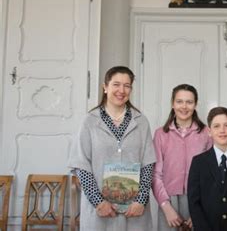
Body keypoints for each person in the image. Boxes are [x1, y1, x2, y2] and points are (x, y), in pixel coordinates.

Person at [68, 66, 156, 231]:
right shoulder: (89, 121)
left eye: (127, 85)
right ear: (105, 87)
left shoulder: (141, 121)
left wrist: (141, 200)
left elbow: (148, 164)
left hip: (134, 212)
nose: (121, 90)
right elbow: (81, 166)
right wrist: (98, 202)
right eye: (116, 84)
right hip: (100, 211)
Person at [152, 84, 212, 230]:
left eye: (189, 102)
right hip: (169, 201)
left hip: (199, 200)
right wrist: (166, 207)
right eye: (179, 101)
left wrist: (201, 210)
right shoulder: (160, 134)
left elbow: (211, 175)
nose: (184, 107)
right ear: (173, 103)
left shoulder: (206, 133)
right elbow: (156, 174)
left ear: (195, 104)